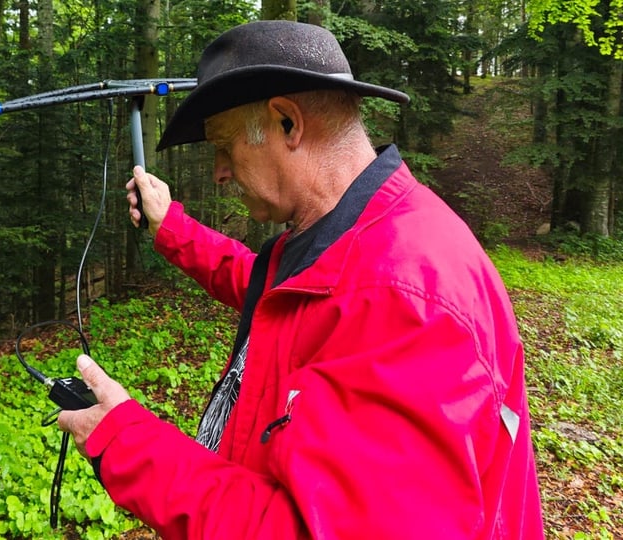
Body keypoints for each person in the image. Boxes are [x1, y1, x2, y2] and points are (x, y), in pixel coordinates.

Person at [57, 20, 544, 539]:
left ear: (287, 123)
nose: (220, 171)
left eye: (225, 145)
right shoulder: (346, 238)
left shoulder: (403, 298)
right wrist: (171, 226)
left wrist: (126, 442)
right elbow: (273, 296)